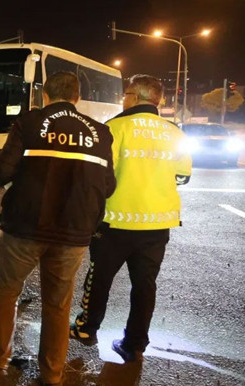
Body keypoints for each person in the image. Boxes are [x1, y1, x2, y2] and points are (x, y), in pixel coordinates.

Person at [0, 71, 116, 386]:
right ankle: (52, 373)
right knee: (57, 303)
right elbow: (108, 186)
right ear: (77, 97)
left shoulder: (28, 123)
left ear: (45, 95)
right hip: (74, 232)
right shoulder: (100, 132)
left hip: (26, 227)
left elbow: (4, 171)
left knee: (6, 291)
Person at [69, 74, 191, 362]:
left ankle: (87, 329)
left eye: (125, 94)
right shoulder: (174, 133)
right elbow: (183, 176)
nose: (123, 98)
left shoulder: (114, 128)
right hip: (157, 223)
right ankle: (135, 343)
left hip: (115, 221)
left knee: (99, 278)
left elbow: (99, 175)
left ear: (135, 97)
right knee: (145, 285)